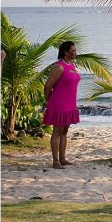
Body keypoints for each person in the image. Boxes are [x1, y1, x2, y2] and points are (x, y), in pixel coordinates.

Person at [43, 40, 82, 169]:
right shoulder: (59, 66)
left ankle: (63, 158)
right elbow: (48, 86)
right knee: (57, 131)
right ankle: (55, 161)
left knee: (65, 131)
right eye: (73, 51)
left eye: (75, 50)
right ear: (66, 52)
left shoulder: (71, 65)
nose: (76, 53)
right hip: (59, 103)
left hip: (70, 104)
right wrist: (49, 101)